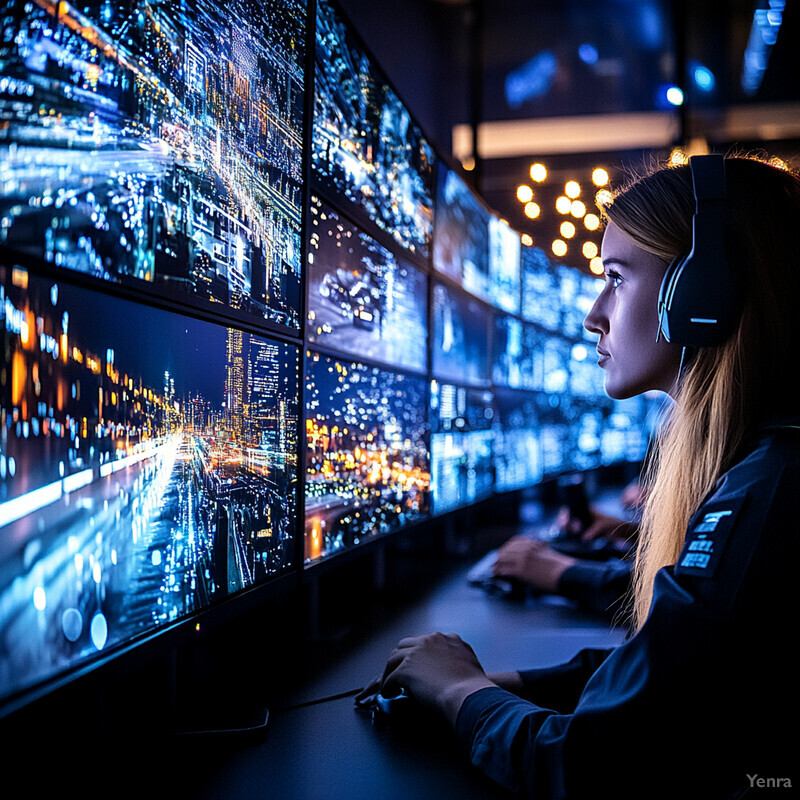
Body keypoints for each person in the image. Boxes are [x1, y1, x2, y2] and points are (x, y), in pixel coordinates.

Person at [356, 154, 799, 798]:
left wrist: (459, 691)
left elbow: (591, 766)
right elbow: (676, 675)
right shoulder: (768, 464)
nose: (593, 314)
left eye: (616, 279)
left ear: (705, 294)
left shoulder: (768, 490)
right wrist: (509, 686)